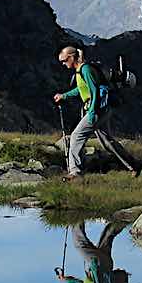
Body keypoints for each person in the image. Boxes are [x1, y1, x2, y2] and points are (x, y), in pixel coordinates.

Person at [54, 47, 101, 182]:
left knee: (76, 136)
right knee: (106, 140)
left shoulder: (84, 69)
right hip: (97, 109)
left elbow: (94, 91)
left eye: (64, 60)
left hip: (95, 109)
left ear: (71, 57)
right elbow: (80, 89)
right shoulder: (80, 70)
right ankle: (132, 164)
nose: (63, 64)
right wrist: (64, 96)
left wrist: (92, 112)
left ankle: (75, 172)